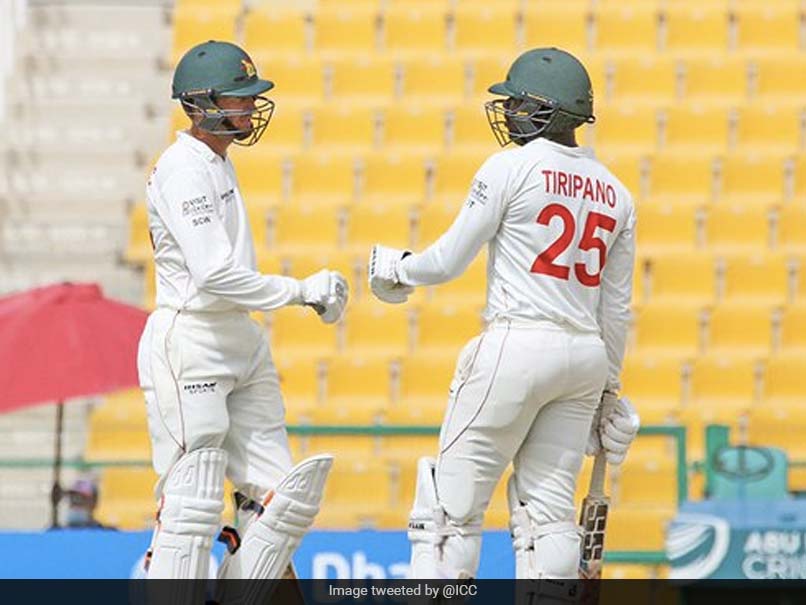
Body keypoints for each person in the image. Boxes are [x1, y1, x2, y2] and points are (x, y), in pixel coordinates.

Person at [368, 47, 641, 582]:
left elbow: (448, 260)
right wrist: (608, 387)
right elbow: (617, 306)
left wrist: (399, 270)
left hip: (516, 345)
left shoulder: (510, 167)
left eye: (519, 102)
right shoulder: (617, 192)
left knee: (447, 514)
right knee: (548, 522)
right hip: (584, 357)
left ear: (550, 109)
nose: (510, 111)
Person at [137, 40, 347, 594]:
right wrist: (301, 290)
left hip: (239, 340)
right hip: (192, 337)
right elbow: (214, 275)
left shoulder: (216, 162)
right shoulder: (182, 168)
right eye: (240, 98)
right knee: (192, 502)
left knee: (280, 501)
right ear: (203, 102)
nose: (252, 109)